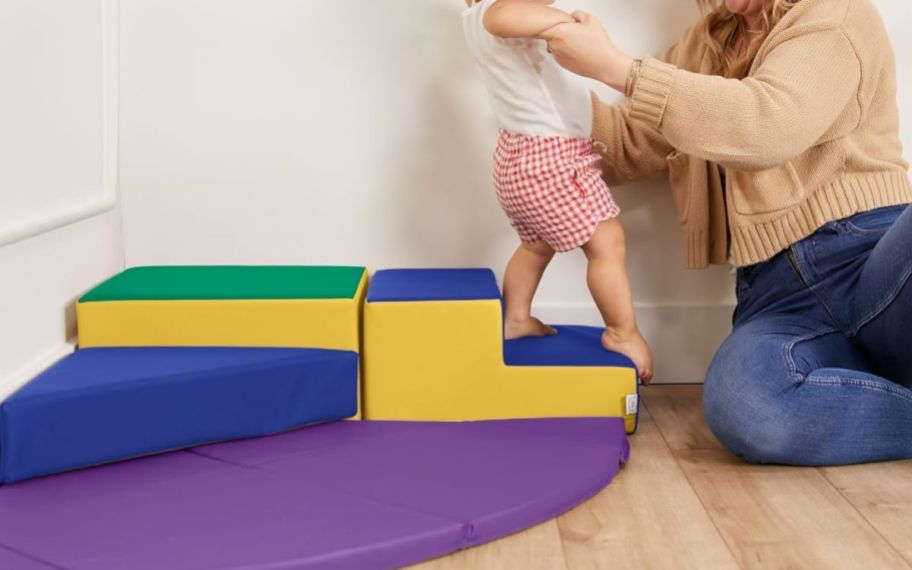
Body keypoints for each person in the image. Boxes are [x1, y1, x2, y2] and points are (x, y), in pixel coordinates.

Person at [542, 0, 912, 465]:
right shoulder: (705, 44)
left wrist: (622, 70)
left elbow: (768, 124)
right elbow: (626, 146)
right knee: (747, 404)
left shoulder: (835, 14)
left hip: (875, 261)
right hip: (777, 299)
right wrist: (532, 90)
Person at [462, 0, 654, 382]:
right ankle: (622, 332)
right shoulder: (494, 13)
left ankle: (515, 318)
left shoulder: (473, 18)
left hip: (519, 156)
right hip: (548, 157)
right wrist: (571, 23)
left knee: (536, 244)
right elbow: (508, 15)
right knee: (606, 242)